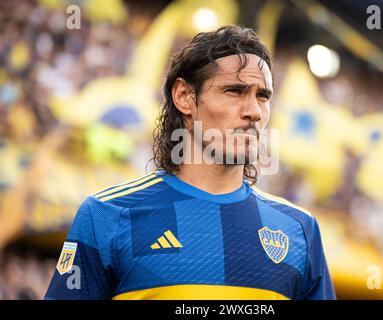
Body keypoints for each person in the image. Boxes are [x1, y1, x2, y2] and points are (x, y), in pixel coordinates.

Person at [45, 25, 336, 300]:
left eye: (262, 96)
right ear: (185, 97)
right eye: (234, 91)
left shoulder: (300, 230)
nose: (254, 111)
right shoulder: (107, 215)